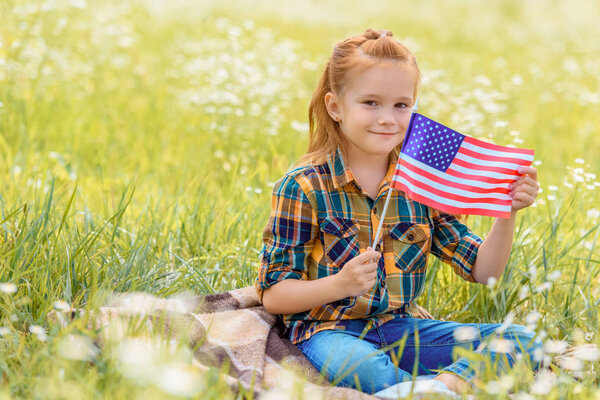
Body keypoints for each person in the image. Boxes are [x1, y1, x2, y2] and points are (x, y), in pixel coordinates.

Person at [255, 28, 542, 396]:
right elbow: (274, 295)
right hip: (327, 331)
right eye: (371, 103)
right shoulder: (305, 187)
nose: (388, 118)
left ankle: (439, 387)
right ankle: (428, 390)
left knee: (519, 340)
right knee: (366, 372)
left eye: (401, 105)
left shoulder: (419, 181)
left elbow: (485, 272)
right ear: (335, 107)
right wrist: (339, 284)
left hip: (400, 329)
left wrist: (507, 210)